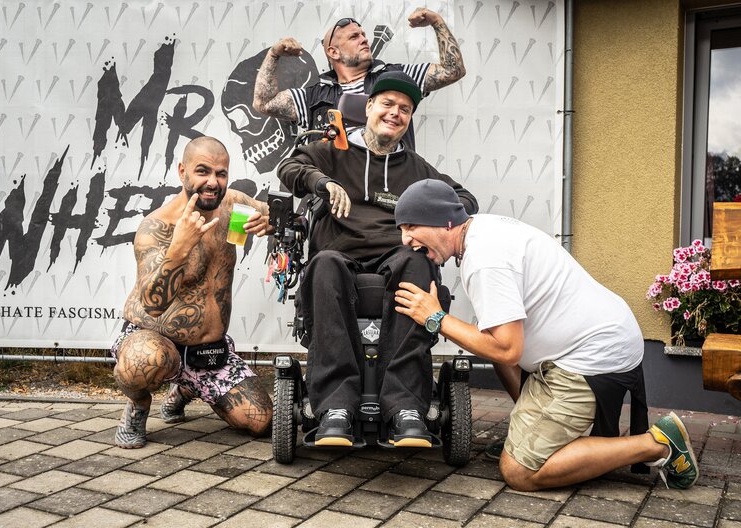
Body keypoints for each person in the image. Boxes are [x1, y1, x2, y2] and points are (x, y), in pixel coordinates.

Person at [392, 179, 699, 491]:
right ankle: (536, 435)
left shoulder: (485, 260)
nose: (405, 239)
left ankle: (657, 444)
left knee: (518, 471)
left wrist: (436, 318)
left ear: (444, 221)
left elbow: (508, 350)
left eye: (411, 226)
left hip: (591, 359)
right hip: (602, 338)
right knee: (489, 340)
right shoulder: (482, 228)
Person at [277, 71, 478, 447]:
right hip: (338, 254)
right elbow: (288, 168)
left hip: (397, 256)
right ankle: (335, 408)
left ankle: (406, 408)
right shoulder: (332, 151)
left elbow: (465, 199)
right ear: (369, 106)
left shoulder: (416, 168)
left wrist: (430, 211)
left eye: (405, 109)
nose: (395, 113)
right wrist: (323, 182)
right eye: (388, 104)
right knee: (324, 266)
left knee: (418, 263)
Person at [111, 136, 274, 448]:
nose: (213, 182)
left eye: (221, 173)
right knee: (144, 361)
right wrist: (178, 249)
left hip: (209, 352)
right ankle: (138, 405)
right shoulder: (156, 227)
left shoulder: (233, 207)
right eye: (203, 171)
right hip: (154, 340)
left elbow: (281, 214)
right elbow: (153, 304)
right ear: (182, 171)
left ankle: (186, 388)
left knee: (261, 421)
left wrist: (273, 222)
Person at [253, 7, 465, 149]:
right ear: (334, 52)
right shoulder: (313, 97)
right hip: (334, 195)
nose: (364, 40)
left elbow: (452, 70)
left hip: (389, 189)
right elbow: (264, 103)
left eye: (363, 35)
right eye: (354, 37)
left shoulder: (397, 78)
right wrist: (274, 54)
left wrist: (436, 21)